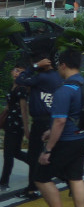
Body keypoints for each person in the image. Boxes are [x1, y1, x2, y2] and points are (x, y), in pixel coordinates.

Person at [33, 50, 84, 207]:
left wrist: (48, 150)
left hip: (67, 140)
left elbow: (60, 121)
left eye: (59, 65)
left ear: (63, 65)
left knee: (41, 178)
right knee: (75, 177)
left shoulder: (64, 90)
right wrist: (50, 131)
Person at [15, 51, 63, 200]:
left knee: (34, 155)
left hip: (41, 121)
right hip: (51, 119)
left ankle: (32, 189)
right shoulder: (56, 76)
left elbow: (20, 80)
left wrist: (34, 67)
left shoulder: (41, 77)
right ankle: (71, 180)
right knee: (48, 155)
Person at [0, 62, 30, 190]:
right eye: (16, 70)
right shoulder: (13, 87)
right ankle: (38, 164)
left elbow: (24, 110)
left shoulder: (21, 89)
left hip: (16, 126)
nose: (17, 73)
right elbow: (8, 106)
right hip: (10, 124)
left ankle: (4, 182)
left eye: (20, 72)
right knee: (16, 152)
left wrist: (26, 129)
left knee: (8, 154)